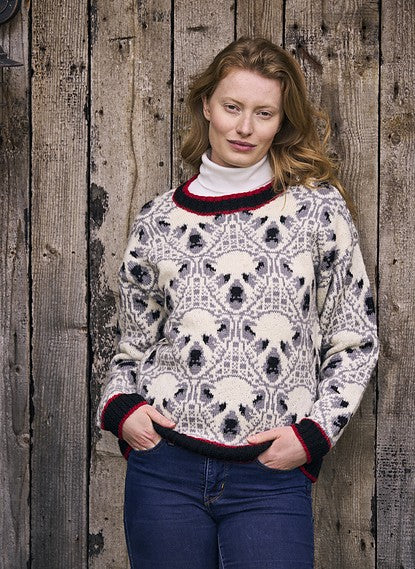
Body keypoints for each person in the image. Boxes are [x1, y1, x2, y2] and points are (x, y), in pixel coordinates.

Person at [96, 37, 379, 569]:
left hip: (269, 477)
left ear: (281, 121)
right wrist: (122, 409)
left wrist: (312, 436)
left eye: (263, 113)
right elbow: (133, 343)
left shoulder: (317, 210)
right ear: (207, 105)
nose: (245, 127)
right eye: (232, 107)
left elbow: (355, 338)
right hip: (165, 471)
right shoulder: (159, 219)